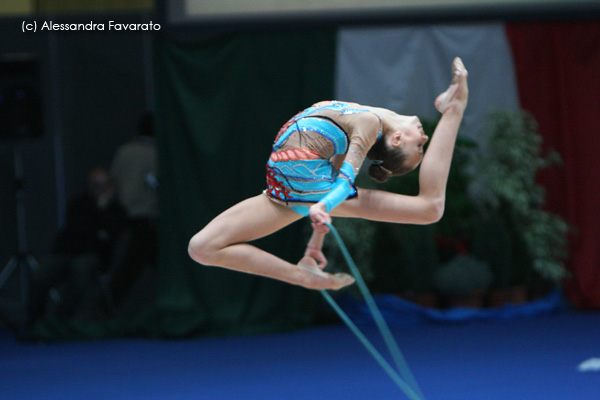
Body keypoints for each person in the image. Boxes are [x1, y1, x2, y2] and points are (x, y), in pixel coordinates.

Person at [188, 57, 469, 291]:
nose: (424, 136)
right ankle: (302, 274)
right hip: (285, 194)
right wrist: (315, 242)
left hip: (307, 193)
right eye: (423, 145)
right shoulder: (364, 113)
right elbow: (334, 171)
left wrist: (324, 205)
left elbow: (346, 178)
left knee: (430, 208)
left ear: (396, 141)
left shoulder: (369, 122)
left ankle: (453, 109)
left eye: (420, 146)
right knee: (202, 248)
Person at [29, 167, 127, 321]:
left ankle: (61, 320)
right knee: (41, 272)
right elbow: (77, 230)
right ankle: (34, 324)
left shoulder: (117, 211)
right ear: (89, 185)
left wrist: (101, 212)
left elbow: (108, 238)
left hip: (93, 257)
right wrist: (97, 234)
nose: (101, 189)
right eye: (97, 184)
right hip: (66, 253)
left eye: (106, 184)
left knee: (81, 269)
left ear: (112, 187)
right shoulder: (78, 204)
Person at [106, 112, 158, 307]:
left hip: (123, 218)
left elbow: (113, 182)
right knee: (130, 267)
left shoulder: (123, 151)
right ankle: (105, 308)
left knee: (131, 266)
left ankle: (105, 308)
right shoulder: (154, 154)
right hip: (145, 220)